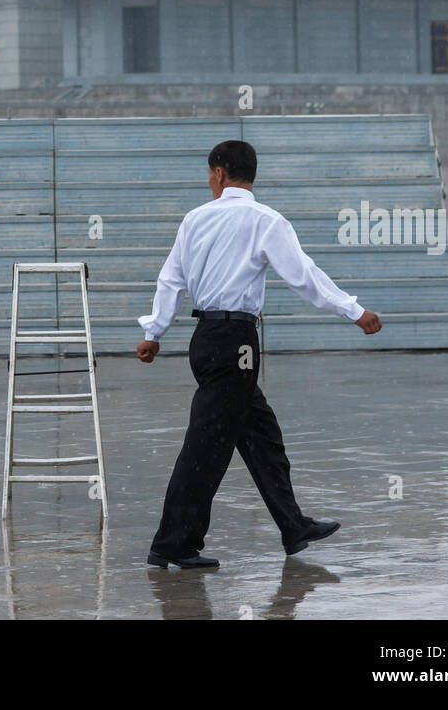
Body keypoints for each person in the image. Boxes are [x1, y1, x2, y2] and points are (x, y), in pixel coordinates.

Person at [137, 139, 382, 569]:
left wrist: (155, 332)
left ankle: (293, 526)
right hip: (238, 345)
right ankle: (172, 543)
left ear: (218, 173)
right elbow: (304, 276)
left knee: (262, 439)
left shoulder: (194, 220)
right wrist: (354, 310)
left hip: (208, 339)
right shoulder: (265, 220)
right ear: (250, 174)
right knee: (205, 449)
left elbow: (170, 280)